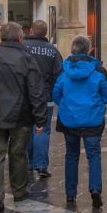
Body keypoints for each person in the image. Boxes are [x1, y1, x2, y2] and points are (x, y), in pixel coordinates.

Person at [0, 22, 47, 213]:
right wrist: (40, 119)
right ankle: (19, 190)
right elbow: (36, 91)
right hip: (21, 115)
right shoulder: (26, 58)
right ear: (20, 38)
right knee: (18, 153)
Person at [53, 36, 107, 208]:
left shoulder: (63, 72)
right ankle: (95, 189)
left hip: (69, 119)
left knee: (71, 155)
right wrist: (97, 104)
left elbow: (56, 94)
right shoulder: (99, 71)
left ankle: (70, 194)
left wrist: (66, 106)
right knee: (93, 155)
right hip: (93, 119)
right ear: (89, 50)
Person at [23, 20, 63, 179]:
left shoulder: (22, 47)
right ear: (45, 33)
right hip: (45, 96)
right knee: (42, 130)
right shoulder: (53, 51)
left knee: (27, 129)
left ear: (31, 31)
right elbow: (59, 75)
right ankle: (41, 166)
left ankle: (28, 162)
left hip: (25, 97)